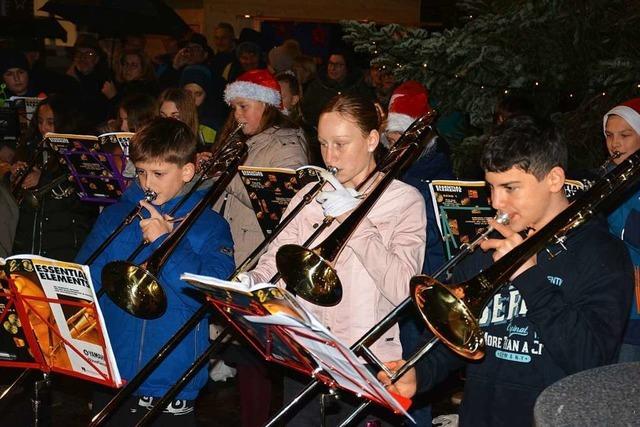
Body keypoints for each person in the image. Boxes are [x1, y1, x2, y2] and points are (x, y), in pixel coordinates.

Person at [379, 116, 634, 427]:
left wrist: (528, 276)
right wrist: (418, 374)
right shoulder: (491, 246)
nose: (496, 201)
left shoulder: (602, 254)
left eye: (510, 187)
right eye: (492, 187)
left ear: (554, 180)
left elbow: (590, 360)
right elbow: (451, 335)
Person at [245, 93, 426, 426]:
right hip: (306, 352)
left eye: (341, 144)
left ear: (372, 140)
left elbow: (403, 290)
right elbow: (276, 261)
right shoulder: (309, 195)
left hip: (368, 361)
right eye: (324, 144)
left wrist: (356, 222)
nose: (330, 156)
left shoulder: (404, 201)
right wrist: (250, 283)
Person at [76, 117, 235, 425]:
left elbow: (207, 295)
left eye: (159, 173)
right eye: (142, 172)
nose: (147, 184)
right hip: (112, 375)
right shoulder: (115, 217)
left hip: (170, 386)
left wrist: (167, 241)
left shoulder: (212, 227)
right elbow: (87, 285)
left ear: (187, 171)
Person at [214, 68, 308, 427]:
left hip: (257, 253)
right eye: (234, 108)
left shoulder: (286, 144)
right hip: (232, 246)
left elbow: (279, 198)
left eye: (244, 107)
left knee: (255, 353)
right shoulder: (245, 140)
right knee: (243, 349)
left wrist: (228, 173)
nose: (237, 115)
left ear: (267, 106)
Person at [383, 80, 454, 426]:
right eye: (392, 141)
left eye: (402, 140)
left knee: (412, 373)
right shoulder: (398, 170)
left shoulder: (433, 174)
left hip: (421, 284)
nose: (396, 147)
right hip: (395, 281)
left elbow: (437, 239)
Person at [11, 95, 98, 261]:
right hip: (29, 245)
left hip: (64, 249)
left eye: (51, 122)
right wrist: (14, 176)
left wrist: (43, 180)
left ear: (64, 123)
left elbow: (86, 205)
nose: (44, 128)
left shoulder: (80, 152)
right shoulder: (31, 147)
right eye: (40, 121)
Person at [603, 97, 640, 362]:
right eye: (609, 135)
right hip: (610, 296)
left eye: (625, 135)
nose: (615, 143)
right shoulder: (605, 177)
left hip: (635, 305)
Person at [179, 64, 227, 142]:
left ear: (206, 95)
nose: (192, 99)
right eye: (188, 93)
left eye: (198, 94)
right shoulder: (171, 113)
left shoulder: (213, 124)